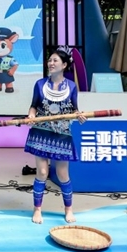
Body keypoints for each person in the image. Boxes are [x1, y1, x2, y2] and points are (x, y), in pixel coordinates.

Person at [24, 46, 86, 224]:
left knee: (62, 174)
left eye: (55, 61)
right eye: (49, 60)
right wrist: (31, 116)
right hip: (41, 133)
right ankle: (37, 210)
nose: (51, 63)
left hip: (62, 135)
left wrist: (79, 115)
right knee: (42, 172)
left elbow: (74, 109)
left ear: (64, 65)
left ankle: (68, 210)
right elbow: (34, 105)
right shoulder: (40, 84)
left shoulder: (72, 86)